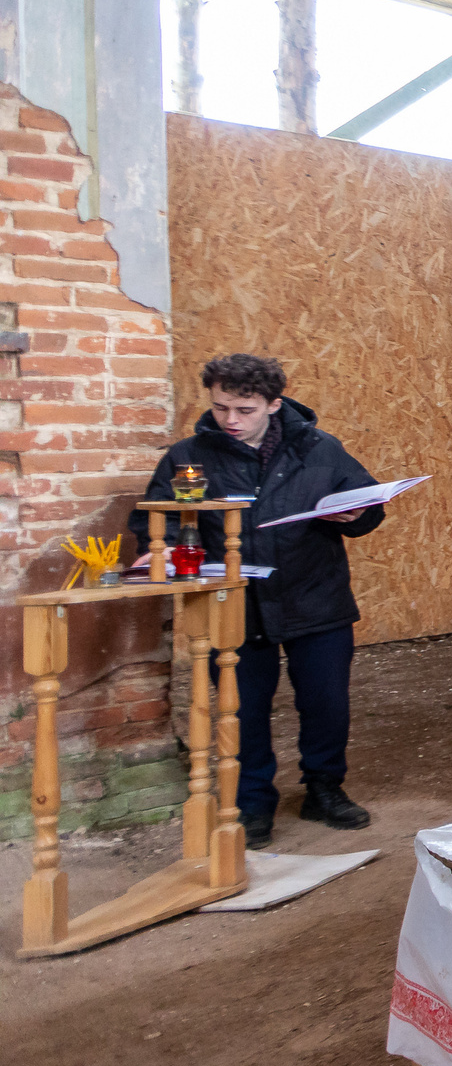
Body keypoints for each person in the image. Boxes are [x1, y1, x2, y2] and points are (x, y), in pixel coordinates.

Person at [133, 354, 387, 849]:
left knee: (326, 702)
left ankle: (324, 789)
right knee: (241, 709)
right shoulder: (187, 457)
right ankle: (252, 803)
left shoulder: (319, 449)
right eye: (222, 407)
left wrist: (355, 514)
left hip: (315, 597)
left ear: (274, 404)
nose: (230, 420)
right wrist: (154, 553)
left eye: (245, 409)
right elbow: (150, 523)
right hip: (231, 603)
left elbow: (368, 506)